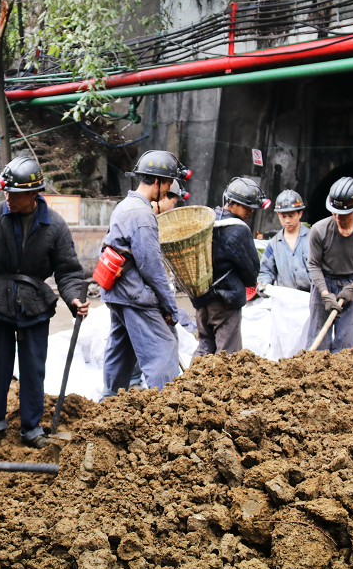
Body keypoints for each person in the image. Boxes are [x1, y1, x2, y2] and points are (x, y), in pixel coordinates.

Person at [0, 157, 87, 450]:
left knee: (33, 370)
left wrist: (74, 297)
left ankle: (31, 427)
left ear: (33, 194)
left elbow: (68, 270)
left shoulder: (54, 225)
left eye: (14, 194)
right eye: (5, 192)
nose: (7, 199)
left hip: (35, 305)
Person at [100, 150, 184, 397]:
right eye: (168, 184)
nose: (169, 189)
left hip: (116, 291)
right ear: (157, 182)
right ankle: (166, 409)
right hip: (134, 294)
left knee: (121, 348)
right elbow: (151, 266)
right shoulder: (142, 214)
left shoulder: (125, 206)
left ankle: (109, 401)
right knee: (163, 349)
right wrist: (170, 306)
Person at [191, 177, 265, 357]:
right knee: (228, 354)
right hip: (225, 302)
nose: (250, 212)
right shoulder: (238, 230)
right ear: (233, 203)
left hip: (201, 298)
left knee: (204, 348)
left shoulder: (205, 220)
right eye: (247, 207)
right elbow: (251, 274)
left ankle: (191, 384)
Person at [306, 177, 353, 353]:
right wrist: (324, 294)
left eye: (343, 214)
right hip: (323, 283)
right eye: (334, 212)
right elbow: (314, 265)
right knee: (318, 342)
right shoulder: (319, 230)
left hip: (349, 285)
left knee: (345, 345)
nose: (338, 217)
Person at [258, 189, 311, 292]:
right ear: (278, 215)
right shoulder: (274, 244)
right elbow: (266, 271)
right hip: (285, 301)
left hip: (310, 300)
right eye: (283, 216)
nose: (287, 220)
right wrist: (264, 284)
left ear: (300, 214)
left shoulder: (313, 238)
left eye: (291, 216)